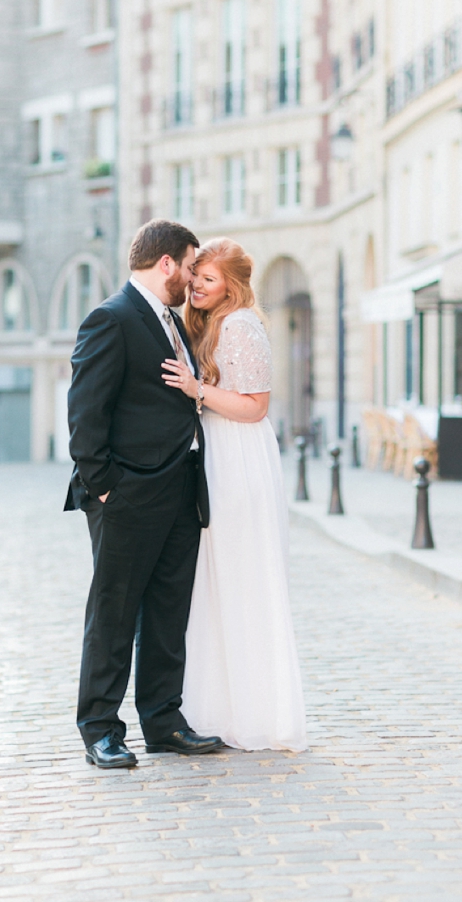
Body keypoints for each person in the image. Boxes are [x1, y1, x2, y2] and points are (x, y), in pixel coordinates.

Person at [65, 219, 225, 769]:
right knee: (114, 612)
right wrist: (106, 488)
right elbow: (86, 415)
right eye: (189, 264)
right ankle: (101, 729)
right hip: (127, 496)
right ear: (166, 264)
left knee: (166, 612)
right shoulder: (111, 318)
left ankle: (162, 721)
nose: (192, 276)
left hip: (180, 492)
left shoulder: (171, 323)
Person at [161, 238, 307, 752]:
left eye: (208, 279)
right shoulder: (208, 323)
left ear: (232, 285)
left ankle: (256, 713)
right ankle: (216, 707)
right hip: (218, 453)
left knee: (243, 577)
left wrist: (195, 389)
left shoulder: (242, 325)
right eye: (196, 275)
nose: (196, 285)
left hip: (241, 458)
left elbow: (255, 406)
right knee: (215, 582)